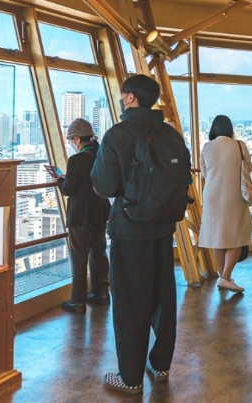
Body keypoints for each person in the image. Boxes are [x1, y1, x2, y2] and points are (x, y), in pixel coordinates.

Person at [91, 74, 182, 394]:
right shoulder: (171, 134)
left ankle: (129, 378)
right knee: (163, 297)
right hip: (164, 228)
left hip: (129, 230)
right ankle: (161, 364)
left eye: (122, 94)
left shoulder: (117, 134)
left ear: (130, 97)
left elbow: (103, 186)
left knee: (130, 303)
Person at [56, 118, 110, 313]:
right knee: (99, 252)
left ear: (77, 139)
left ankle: (78, 300)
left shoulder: (77, 160)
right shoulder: (101, 156)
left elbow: (69, 189)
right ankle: (101, 292)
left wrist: (60, 181)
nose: (72, 143)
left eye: (71, 140)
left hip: (80, 215)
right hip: (100, 212)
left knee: (79, 258)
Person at [198, 115, 252, 293]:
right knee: (237, 236)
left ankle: (224, 277)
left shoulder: (207, 147)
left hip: (211, 195)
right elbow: (248, 167)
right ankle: (226, 277)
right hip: (234, 194)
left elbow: (204, 172)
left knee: (217, 237)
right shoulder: (239, 145)